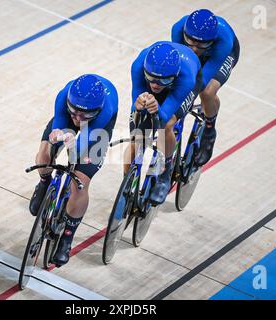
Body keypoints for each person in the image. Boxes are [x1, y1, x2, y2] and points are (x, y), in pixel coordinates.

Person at [30, 74, 118, 266]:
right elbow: (60, 126)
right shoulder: (64, 97)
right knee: (45, 153)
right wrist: (57, 135)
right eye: (74, 111)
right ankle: (44, 183)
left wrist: (74, 146)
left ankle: (67, 237)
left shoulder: (105, 110)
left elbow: (81, 147)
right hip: (71, 116)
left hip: (95, 130)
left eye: (83, 115)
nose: (78, 119)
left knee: (79, 183)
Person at [124, 41, 202, 205]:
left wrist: (156, 106)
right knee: (137, 138)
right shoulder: (138, 66)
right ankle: (126, 187)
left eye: (161, 81)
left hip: (183, 89)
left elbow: (164, 115)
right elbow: (136, 104)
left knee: (165, 127)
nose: (154, 85)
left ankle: (165, 170)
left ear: (173, 76)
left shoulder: (185, 77)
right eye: (151, 79)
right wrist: (139, 106)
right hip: (164, 81)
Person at [171, 9, 240, 166]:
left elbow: (203, 79)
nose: (194, 48)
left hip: (223, 54)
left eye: (201, 43)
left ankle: (209, 130)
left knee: (207, 91)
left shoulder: (224, 40)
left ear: (212, 39)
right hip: (206, 50)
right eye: (190, 40)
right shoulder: (177, 29)